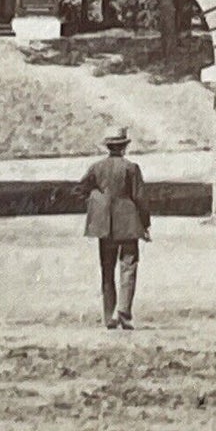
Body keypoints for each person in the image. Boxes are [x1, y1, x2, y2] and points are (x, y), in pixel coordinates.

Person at [80, 126, 151, 330]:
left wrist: (97, 200)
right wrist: (145, 224)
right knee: (128, 267)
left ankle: (108, 314)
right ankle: (124, 312)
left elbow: (80, 189)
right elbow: (140, 198)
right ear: (124, 147)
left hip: (105, 226)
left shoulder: (96, 168)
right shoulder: (131, 168)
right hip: (129, 224)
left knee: (107, 269)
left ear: (108, 147)